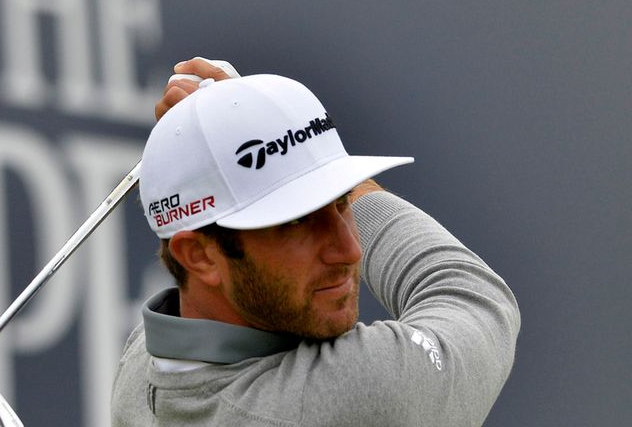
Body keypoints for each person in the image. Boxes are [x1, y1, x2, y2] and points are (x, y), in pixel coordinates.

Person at [111, 58, 520, 426]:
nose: (350, 250)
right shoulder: (352, 394)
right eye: (298, 222)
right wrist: (306, 155)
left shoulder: (140, 366)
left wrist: (245, 136)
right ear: (200, 255)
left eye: (341, 203)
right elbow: (472, 295)